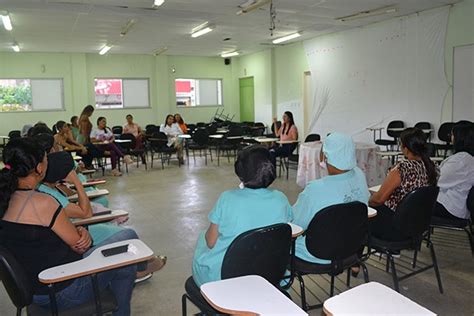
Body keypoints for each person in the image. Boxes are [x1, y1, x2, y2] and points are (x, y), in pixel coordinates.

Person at [0, 138, 136, 315]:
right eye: (46, 159)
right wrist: (80, 234)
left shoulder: (5, 197)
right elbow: (81, 245)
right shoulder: (42, 202)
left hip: (35, 287)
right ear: (39, 168)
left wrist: (78, 234)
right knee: (126, 261)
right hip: (62, 290)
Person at [192, 145, 293, 286]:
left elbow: (210, 242)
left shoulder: (227, 199)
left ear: (240, 171)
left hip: (227, 277)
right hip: (269, 272)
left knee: (203, 239)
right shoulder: (281, 199)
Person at [292, 132, 370, 264]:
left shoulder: (315, 189)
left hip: (317, 253)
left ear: (325, 156)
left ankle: (282, 283)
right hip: (351, 246)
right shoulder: (360, 175)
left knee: (278, 245)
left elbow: (295, 224)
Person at [369, 127, 437, 241]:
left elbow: (378, 200)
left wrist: (366, 203)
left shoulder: (402, 168)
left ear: (405, 148)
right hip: (418, 225)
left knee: (360, 216)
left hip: (395, 227)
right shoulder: (432, 167)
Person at [434, 123, 474, 220]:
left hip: (450, 206)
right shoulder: (467, 158)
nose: (450, 137)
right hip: (457, 203)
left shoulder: (460, 161)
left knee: (410, 202)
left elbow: (436, 181)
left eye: (452, 135)